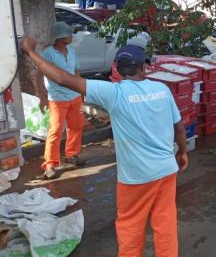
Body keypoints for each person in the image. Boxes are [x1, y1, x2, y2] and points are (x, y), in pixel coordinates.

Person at [21, 38, 188, 256]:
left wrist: (29, 52)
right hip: (166, 170)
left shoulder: (114, 93)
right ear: (142, 67)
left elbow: (62, 78)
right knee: (165, 223)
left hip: (136, 178)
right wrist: (182, 152)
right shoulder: (162, 90)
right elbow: (180, 127)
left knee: (131, 226)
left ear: (117, 70)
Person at [40, 22, 85, 179]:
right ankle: (50, 164)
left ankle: (72, 155)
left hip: (74, 97)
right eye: (69, 34)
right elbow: (39, 74)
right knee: (55, 131)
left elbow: (77, 70)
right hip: (57, 98)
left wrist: (81, 91)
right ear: (60, 37)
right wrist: (42, 97)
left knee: (76, 127)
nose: (71, 37)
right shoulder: (48, 54)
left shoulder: (71, 51)